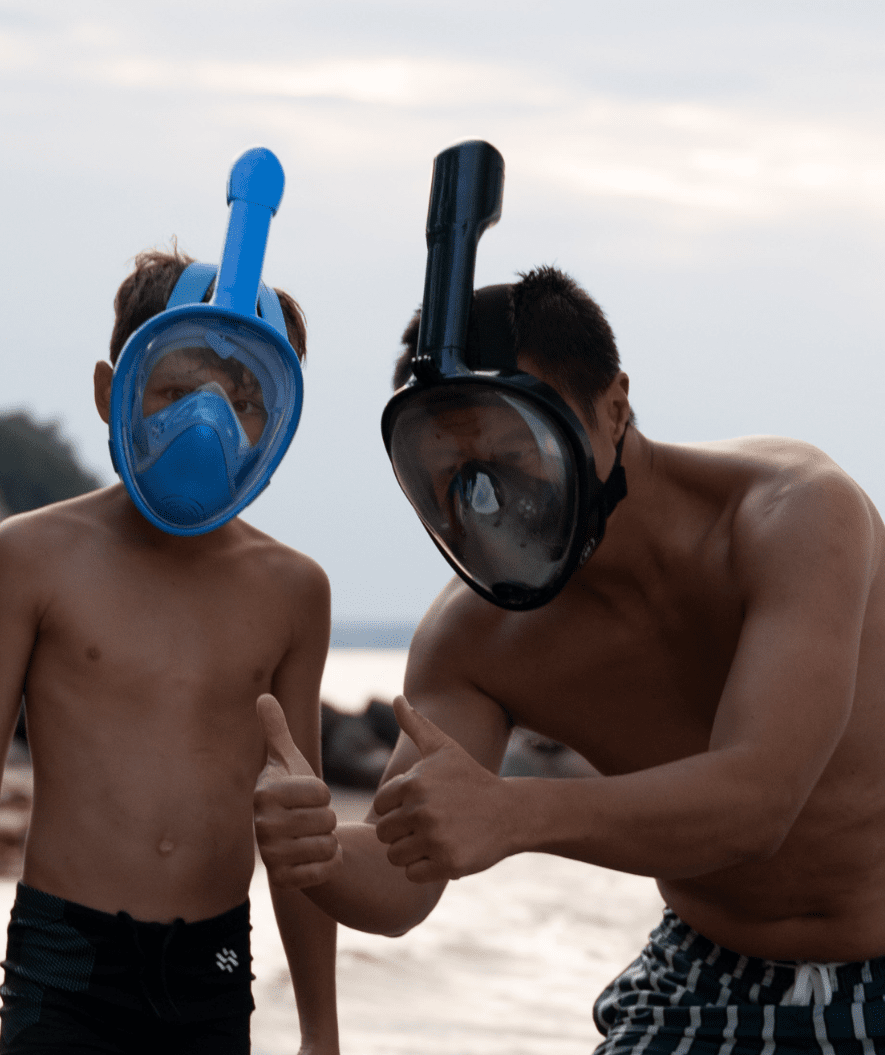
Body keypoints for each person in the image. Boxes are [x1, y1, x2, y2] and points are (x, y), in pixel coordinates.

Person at [255, 264, 885, 1054]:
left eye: (516, 452)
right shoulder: (476, 635)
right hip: (711, 972)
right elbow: (396, 877)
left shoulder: (794, 515)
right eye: (450, 474)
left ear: (613, 408)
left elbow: (759, 801)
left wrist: (513, 813)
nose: (489, 502)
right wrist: (315, 845)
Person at [0, 241, 340, 1054]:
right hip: (64, 955)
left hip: (211, 966)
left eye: (245, 400)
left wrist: (320, 1031)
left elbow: (298, 829)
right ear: (111, 391)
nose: (208, 422)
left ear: (277, 424)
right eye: (178, 391)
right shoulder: (33, 557)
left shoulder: (292, 591)